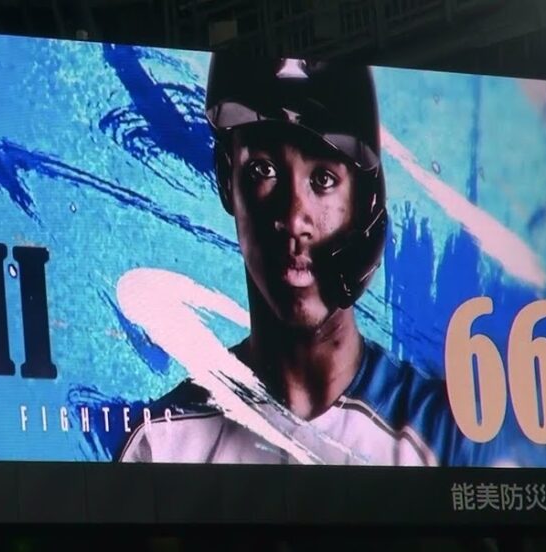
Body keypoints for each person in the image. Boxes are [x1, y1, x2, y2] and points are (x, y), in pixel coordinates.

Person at [118, 56, 503, 468]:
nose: (294, 217)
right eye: (263, 170)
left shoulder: (446, 435)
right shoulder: (165, 442)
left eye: (323, 179)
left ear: (365, 199)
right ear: (227, 178)